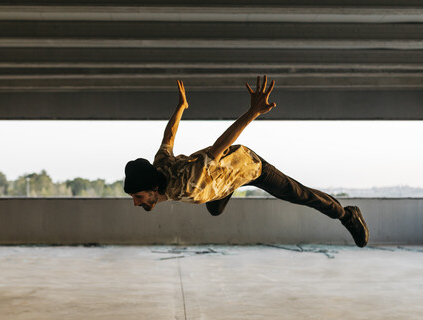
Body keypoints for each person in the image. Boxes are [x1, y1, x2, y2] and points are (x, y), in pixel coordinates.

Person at [124, 76, 369, 247]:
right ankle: (223, 187)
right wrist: (181, 106)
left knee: (297, 193)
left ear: (154, 188)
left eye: (138, 197)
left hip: (246, 166)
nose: (136, 203)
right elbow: (169, 136)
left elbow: (220, 145)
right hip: (218, 182)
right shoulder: (159, 165)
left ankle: (346, 215)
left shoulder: (188, 181)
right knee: (215, 208)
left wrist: (252, 112)